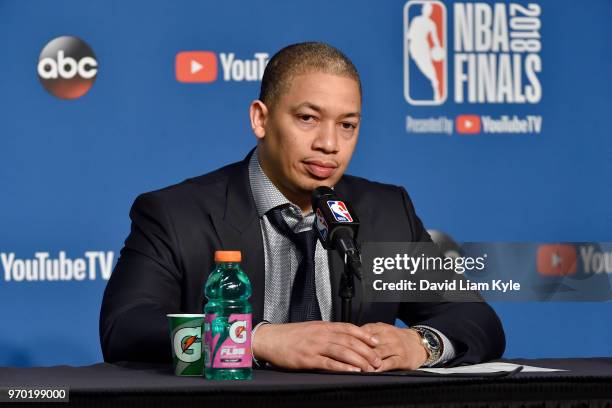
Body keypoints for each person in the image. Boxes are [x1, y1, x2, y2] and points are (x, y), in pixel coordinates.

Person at [100, 42, 505, 372]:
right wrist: (260, 339)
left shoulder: (386, 211)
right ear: (261, 119)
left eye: (347, 125)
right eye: (308, 118)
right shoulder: (176, 213)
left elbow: (475, 319)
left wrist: (420, 344)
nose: (330, 144)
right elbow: (126, 327)